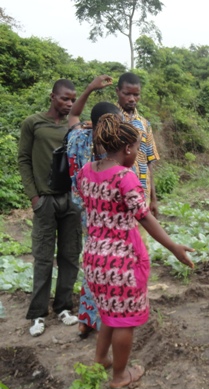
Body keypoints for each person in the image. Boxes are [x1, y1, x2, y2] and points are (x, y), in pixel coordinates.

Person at [76, 114, 194, 389]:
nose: (138, 155)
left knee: (108, 312)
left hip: (94, 259)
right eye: (138, 149)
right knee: (125, 320)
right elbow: (144, 217)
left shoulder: (86, 171)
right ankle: (120, 376)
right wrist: (174, 247)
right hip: (122, 262)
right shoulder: (125, 177)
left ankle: (101, 360)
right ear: (127, 149)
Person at [18, 79, 81, 337]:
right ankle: (37, 314)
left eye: (73, 99)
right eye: (65, 98)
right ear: (53, 97)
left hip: (71, 199)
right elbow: (23, 159)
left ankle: (64, 307)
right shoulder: (33, 123)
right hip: (45, 199)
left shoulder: (74, 126)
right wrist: (34, 196)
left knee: (70, 254)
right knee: (43, 258)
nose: (69, 103)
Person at [67, 75, 116, 338]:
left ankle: (85, 318)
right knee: (106, 265)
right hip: (103, 212)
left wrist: (89, 88)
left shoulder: (77, 136)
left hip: (81, 207)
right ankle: (99, 318)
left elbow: (73, 116)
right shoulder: (108, 148)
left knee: (91, 260)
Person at [115, 72, 160, 218]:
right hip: (116, 196)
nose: (132, 99)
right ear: (118, 91)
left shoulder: (145, 124)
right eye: (127, 94)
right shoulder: (109, 120)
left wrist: (153, 199)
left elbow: (149, 162)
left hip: (142, 195)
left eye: (136, 95)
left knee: (141, 240)